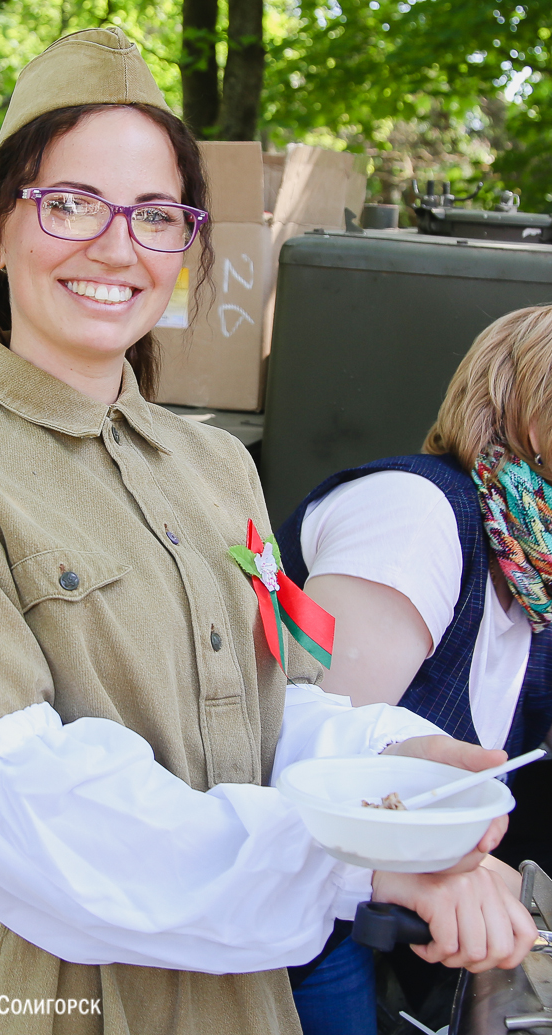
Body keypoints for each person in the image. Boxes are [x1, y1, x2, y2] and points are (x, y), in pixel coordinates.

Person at [0, 29, 535, 1035]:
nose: (118, 247)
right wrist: (359, 860)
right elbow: (40, 818)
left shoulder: (220, 468)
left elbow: (282, 707)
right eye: (69, 203)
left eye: (157, 216)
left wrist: (405, 767)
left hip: (239, 1004)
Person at [278, 303, 552, 1031]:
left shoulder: (530, 568)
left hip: (381, 917)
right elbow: (304, 753)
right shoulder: (417, 515)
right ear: (533, 416)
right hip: (295, 923)